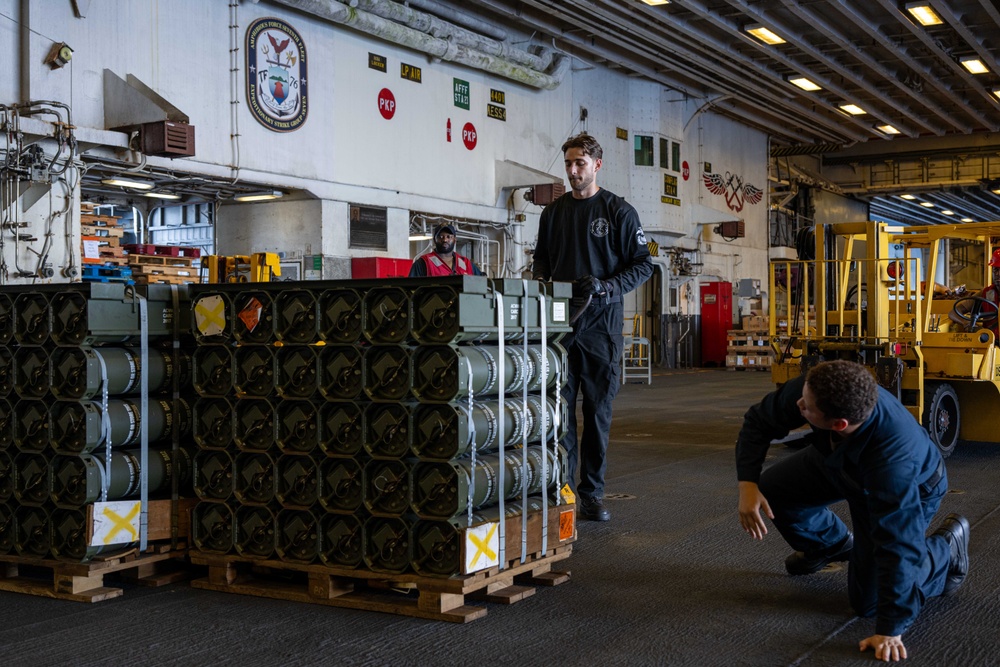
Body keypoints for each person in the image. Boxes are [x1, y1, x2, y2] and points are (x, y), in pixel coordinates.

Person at [736, 360, 970, 662]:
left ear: (839, 424)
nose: (798, 406)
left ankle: (945, 551)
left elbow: (898, 545)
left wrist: (891, 628)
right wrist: (747, 485)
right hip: (839, 460)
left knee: (868, 604)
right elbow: (758, 420)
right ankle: (829, 545)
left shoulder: (892, 463)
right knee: (770, 490)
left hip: (913, 486)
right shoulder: (817, 387)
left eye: (806, 408)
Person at [531, 133, 653, 522]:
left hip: (602, 325)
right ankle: (562, 490)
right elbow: (542, 262)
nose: (572, 170)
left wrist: (608, 286)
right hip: (562, 328)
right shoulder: (553, 214)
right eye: (568, 163)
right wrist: (542, 295)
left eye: (580, 163)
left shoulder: (619, 211)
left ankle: (592, 493)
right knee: (559, 413)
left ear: (597, 164)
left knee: (598, 414)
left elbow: (642, 265)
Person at [408, 224, 483, 277]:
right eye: (441, 237)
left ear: (455, 240)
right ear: (435, 240)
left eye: (449, 237)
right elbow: (411, 291)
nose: (445, 240)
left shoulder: (466, 263)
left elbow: (482, 283)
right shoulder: (423, 263)